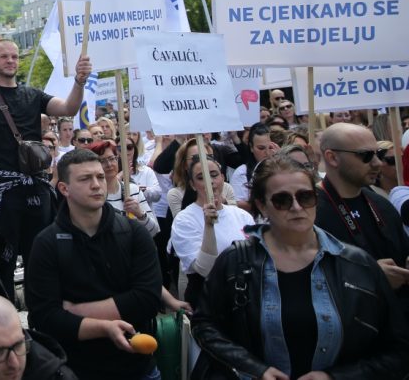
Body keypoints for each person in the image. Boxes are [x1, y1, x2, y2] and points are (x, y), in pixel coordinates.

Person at [191, 155, 409, 379]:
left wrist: (335, 377)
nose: (296, 207)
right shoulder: (236, 260)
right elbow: (204, 325)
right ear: (261, 205)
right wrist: (256, 370)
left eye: (305, 197)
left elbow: (397, 350)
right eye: (282, 200)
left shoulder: (356, 263)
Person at [0, 40, 91, 296]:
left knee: (41, 260)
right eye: (4, 56)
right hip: (3, 195)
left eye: (15, 56)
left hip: (36, 190)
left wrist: (79, 82)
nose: (11, 61)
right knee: (2, 263)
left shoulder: (33, 94)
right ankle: (5, 324)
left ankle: (43, 322)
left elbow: (68, 108)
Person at [26, 150, 161, 380]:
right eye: (85, 179)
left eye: (99, 177)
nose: (97, 185)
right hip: (74, 370)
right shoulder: (46, 243)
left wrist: (75, 311)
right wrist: (103, 327)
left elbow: (147, 299)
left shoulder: (133, 232)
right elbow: (44, 317)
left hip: (136, 368)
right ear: (64, 189)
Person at [314, 123, 409, 304]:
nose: (377, 163)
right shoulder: (310, 212)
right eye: (365, 155)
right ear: (332, 157)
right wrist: (371, 276)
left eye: (376, 154)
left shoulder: (381, 204)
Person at [167, 158, 253, 307]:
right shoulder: (184, 219)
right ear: (193, 185)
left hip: (244, 296)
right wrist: (208, 226)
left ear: (223, 178)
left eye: (214, 175)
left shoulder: (242, 215)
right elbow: (204, 269)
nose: (210, 181)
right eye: (201, 178)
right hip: (208, 299)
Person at [92, 141, 159, 238]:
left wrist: (140, 214)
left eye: (112, 158)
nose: (109, 164)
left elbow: (154, 230)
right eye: (102, 161)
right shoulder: (93, 195)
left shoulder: (132, 189)